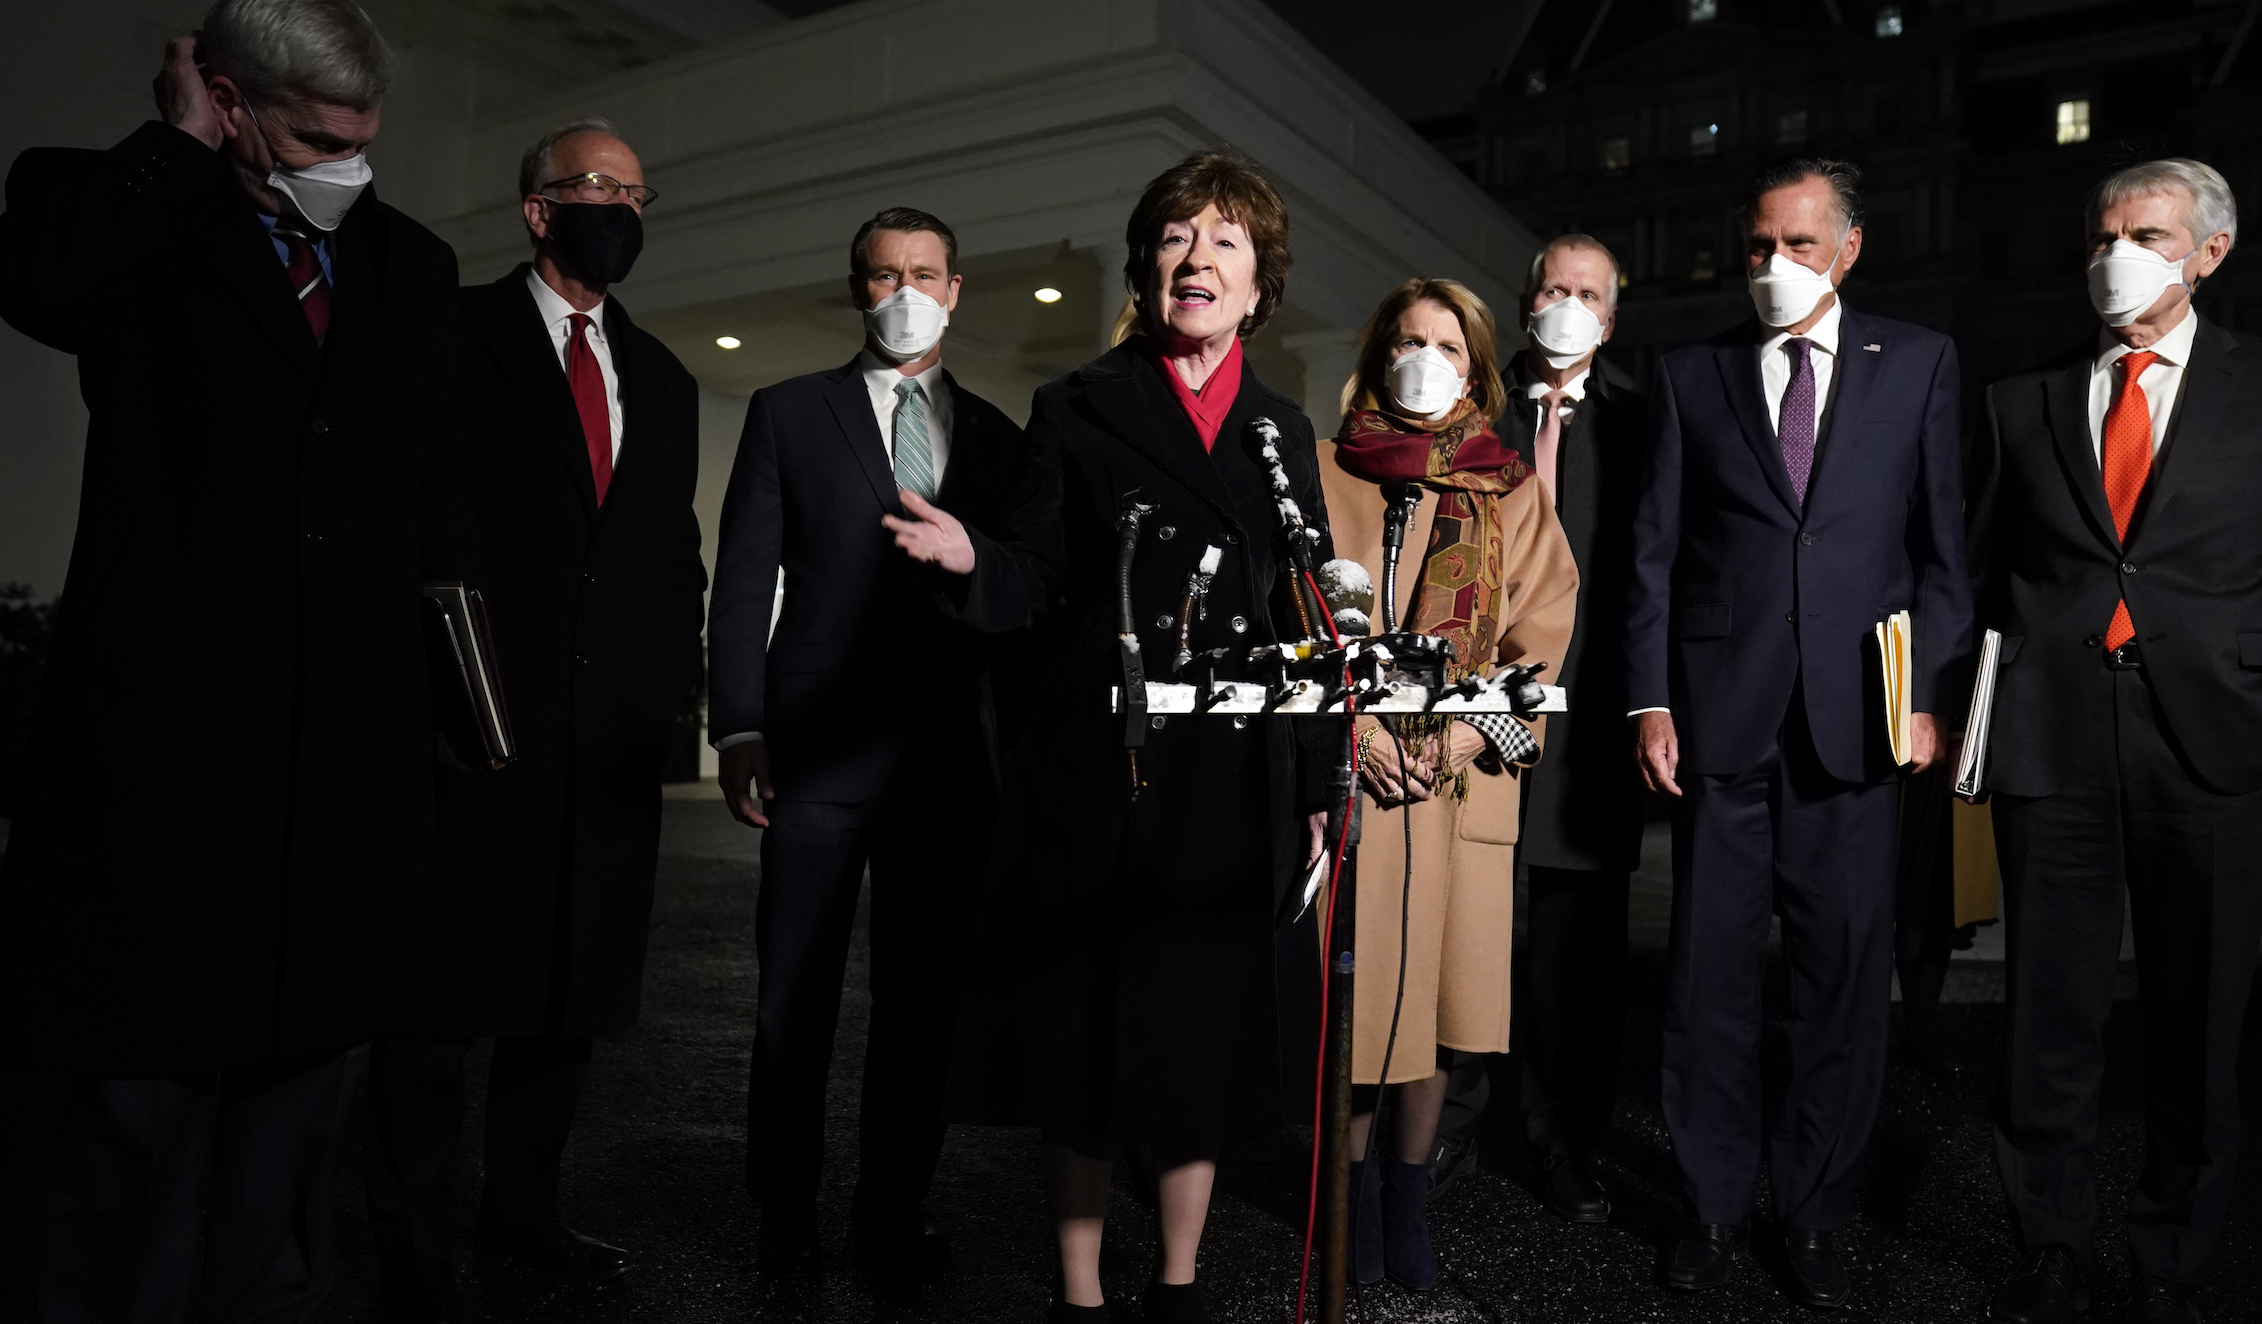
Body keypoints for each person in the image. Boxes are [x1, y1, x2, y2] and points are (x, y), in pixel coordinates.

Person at [0, 3, 478, 1319]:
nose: (348, 167)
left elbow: (436, 503)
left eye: (364, 140)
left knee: (291, 1146)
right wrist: (172, 147)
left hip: (346, 778)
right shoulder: (121, 206)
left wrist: (451, 718)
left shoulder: (414, 266)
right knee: (133, 1142)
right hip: (165, 771)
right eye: (318, 141)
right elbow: (48, 291)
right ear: (226, 100)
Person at [948, 151, 1332, 1324]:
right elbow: (1036, 574)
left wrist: (1319, 780)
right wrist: (972, 562)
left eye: (1225, 240)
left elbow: (1311, 615)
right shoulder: (1077, 405)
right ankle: (1078, 1292)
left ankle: (1177, 1282)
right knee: (1085, 1039)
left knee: (1201, 1042)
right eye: (1174, 237)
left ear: (1259, 285)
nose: (1196, 257)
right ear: (1144, 269)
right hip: (1101, 773)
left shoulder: (1282, 432)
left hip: (1233, 780)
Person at [360, 119, 705, 1319]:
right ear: (539, 209)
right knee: (438, 1000)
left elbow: (670, 553)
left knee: (569, 991)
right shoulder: (453, 334)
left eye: (636, 191)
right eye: (596, 185)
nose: (620, 207)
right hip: (470, 724)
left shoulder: (664, 377)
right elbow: (403, 514)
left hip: (604, 745)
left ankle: (523, 1208)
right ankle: (406, 1233)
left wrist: (672, 694)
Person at [1624, 157, 1972, 1308]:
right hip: (1720, 721)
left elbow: (1943, 556)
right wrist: (1649, 698)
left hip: (1860, 724)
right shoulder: (1693, 372)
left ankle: (1815, 1209)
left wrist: (1924, 695)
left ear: (1851, 249)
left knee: (1842, 982)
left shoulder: (1918, 362)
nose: (1773, 264)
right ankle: (1713, 1202)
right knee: (1706, 983)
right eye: (1759, 245)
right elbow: (1655, 553)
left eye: (1799, 245)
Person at [707, 206, 1051, 1278]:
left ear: (955, 289)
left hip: (946, 759)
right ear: (858, 288)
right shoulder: (788, 410)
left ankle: (893, 1205)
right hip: (815, 748)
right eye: (884, 274)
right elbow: (743, 578)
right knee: (794, 993)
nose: (906, 292)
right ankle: (785, 1206)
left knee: (922, 1000)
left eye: (925, 273)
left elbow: (1024, 591)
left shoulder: (999, 435)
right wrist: (740, 722)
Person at [1970, 158, 2255, 1324]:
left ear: (2210, 253)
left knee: (2201, 1016)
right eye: (2101, 237)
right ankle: (2049, 1242)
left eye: (2147, 235)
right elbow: (1983, 569)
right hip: (2057, 736)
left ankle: (2171, 1257)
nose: (2116, 256)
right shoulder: (2021, 399)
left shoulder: (2254, 387)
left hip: (2218, 737)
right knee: (2049, 1013)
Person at [1317, 277, 1577, 1289]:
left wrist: (1470, 734)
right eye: (1406, 340)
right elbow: (1295, 616)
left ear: (1476, 373)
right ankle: (1345, 1210)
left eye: (1448, 346)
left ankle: (1407, 1202)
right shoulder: (1325, 470)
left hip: (1461, 783)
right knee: (1360, 1010)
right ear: (1377, 355)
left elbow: (1542, 634)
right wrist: (1356, 727)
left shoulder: (1512, 489)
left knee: (1437, 1014)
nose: (1424, 360)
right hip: (1361, 779)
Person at [1494, 235, 1651, 1222]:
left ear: (1611, 316)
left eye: (1587, 293)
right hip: (1478, 707)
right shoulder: (1474, 406)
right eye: (1553, 287)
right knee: (1464, 924)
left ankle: (1566, 1143)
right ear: (1526, 301)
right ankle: (1447, 1127)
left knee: (1577, 953)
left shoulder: (1643, 419)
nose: (1567, 305)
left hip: (1592, 717)